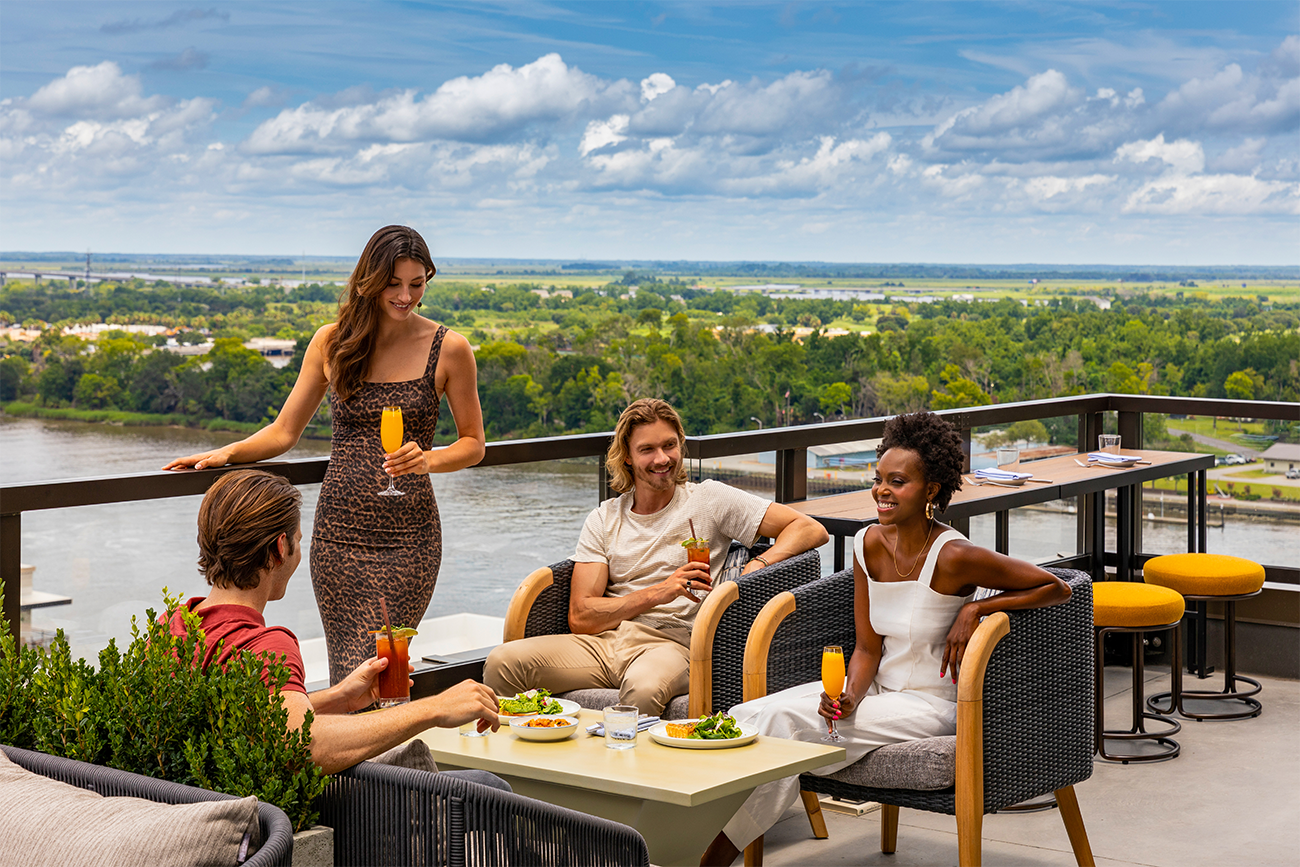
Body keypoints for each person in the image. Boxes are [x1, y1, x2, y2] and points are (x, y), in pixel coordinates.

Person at [700, 411, 1072, 867]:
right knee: (746, 715)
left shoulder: (954, 556)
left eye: (898, 482)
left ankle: (711, 858)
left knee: (784, 727)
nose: (882, 491)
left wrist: (979, 608)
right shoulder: (867, 545)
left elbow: (1058, 587)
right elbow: (868, 647)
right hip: (877, 691)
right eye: (879, 479)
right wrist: (850, 696)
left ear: (931, 490)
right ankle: (686, 837)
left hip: (933, 705)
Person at [164, 225, 486, 685]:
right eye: (394, 284)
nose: (406, 296)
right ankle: (373, 756)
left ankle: (385, 754)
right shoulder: (332, 342)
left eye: (417, 284)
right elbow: (284, 432)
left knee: (384, 667)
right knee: (349, 673)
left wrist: (428, 460)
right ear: (368, 281)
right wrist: (227, 454)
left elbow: (474, 444)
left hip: (409, 540)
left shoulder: (449, 348)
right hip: (338, 538)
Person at [484, 398, 830, 716]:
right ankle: (517, 777)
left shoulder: (708, 500)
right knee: (502, 662)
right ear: (628, 457)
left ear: (681, 445)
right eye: (647, 449)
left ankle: (623, 782)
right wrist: (660, 591)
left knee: (643, 687)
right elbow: (581, 616)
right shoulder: (605, 518)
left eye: (669, 445)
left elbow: (809, 529)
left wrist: (758, 565)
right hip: (606, 643)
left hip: (675, 644)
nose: (662, 458)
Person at [168, 469, 502, 777]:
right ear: (280, 548)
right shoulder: (267, 646)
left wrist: (339, 698)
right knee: (489, 786)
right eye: (299, 540)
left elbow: (243, 722)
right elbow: (305, 744)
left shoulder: (175, 625)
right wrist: (434, 709)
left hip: (200, 803)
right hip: (285, 820)